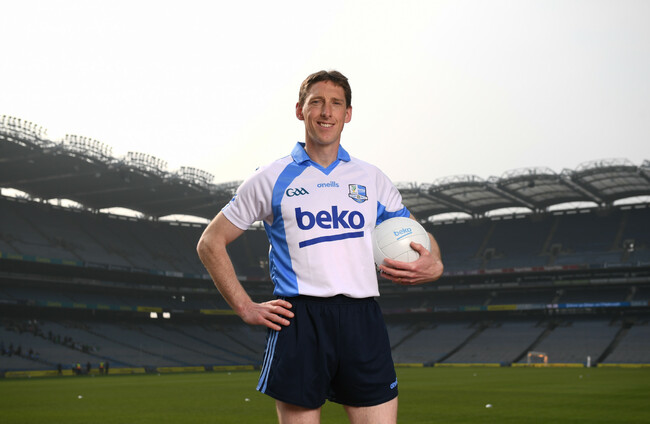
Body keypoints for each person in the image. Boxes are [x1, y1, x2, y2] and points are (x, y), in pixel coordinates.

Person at [197, 70, 443, 424]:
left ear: (348, 113)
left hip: (362, 319)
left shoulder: (371, 178)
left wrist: (436, 262)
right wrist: (244, 306)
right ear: (300, 110)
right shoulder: (270, 177)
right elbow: (210, 241)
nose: (327, 112)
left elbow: (417, 233)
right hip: (299, 319)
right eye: (317, 102)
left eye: (336, 103)